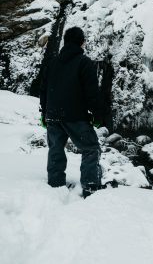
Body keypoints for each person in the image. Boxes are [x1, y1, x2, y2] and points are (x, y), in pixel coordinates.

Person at [40, 26, 104, 198]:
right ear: (81, 42)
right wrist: (98, 115)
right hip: (75, 116)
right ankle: (90, 187)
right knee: (91, 148)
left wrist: (43, 114)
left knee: (56, 149)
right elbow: (92, 93)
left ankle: (55, 184)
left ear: (65, 41)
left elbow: (44, 89)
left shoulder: (52, 62)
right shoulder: (84, 62)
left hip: (53, 114)